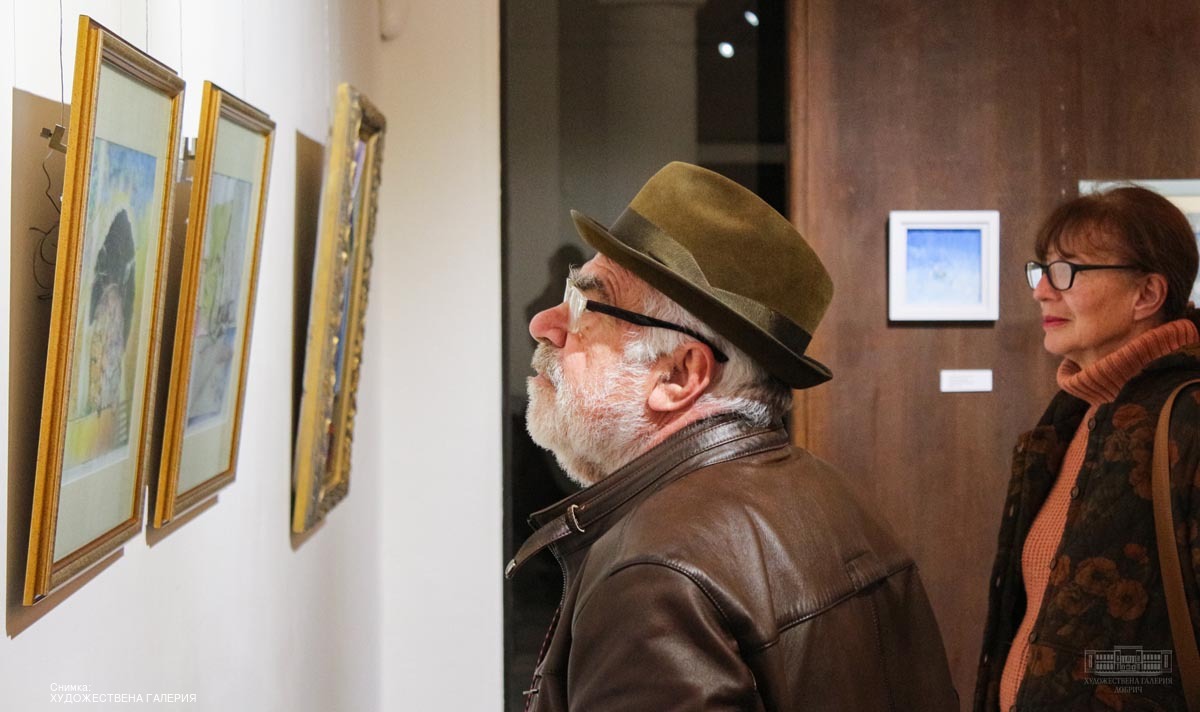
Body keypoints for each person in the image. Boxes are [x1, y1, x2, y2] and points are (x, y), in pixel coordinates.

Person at [505, 162, 958, 711]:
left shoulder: (652, 579)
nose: (544, 324)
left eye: (584, 304)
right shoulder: (839, 500)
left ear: (679, 375)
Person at [975, 186, 1200, 711]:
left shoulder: (1188, 418)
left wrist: (1107, 675)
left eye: (1067, 271)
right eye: (1042, 270)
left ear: (1147, 294)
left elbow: (1150, 661)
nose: (1042, 291)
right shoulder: (1073, 414)